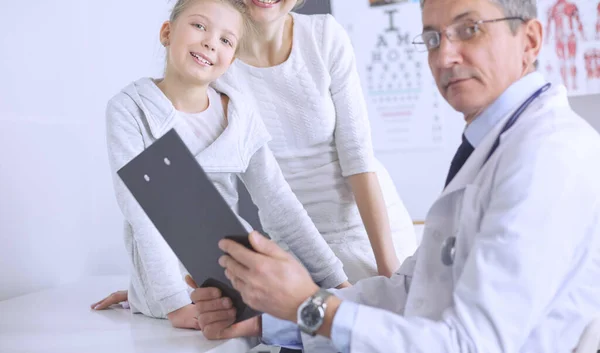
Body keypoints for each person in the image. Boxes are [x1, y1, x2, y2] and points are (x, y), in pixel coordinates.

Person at [191, 0, 600, 351]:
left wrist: (309, 305)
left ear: (529, 41)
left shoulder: (547, 157)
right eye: (433, 39)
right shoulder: (494, 146)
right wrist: (269, 320)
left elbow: (470, 345)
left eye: (469, 29)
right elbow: (411, 291)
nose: (444, 57)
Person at [91, 0, 350, 330]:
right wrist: (173, 303)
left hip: (233, 280)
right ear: (167, 33)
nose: (211, 42)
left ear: (232, 59)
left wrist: (336, 281)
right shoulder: (130, 110)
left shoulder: (239, 112)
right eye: (199, 26)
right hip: (168, 293)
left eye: (226, 40)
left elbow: (280, 205)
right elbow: (141, 213)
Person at [212, 0, 417, 283]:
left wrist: (389, 268)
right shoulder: (217, 67)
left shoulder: (325, 35)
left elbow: (358, 158)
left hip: (377, 235)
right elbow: (217, 187)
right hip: (299, 247)